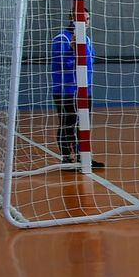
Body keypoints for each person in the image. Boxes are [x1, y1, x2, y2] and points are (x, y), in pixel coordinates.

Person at [52, 21, 102, 168]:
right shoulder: (61, 38)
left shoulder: (86, 39)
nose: (87, 22)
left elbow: (90, 60)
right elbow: (60, 63)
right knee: (68, 123)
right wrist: (73, 51)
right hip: (65, 91)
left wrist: (81, 51)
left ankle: (84, 156)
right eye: (84, 18)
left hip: (85, 90)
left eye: (88, 19)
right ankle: (67, 157)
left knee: (84, 123)